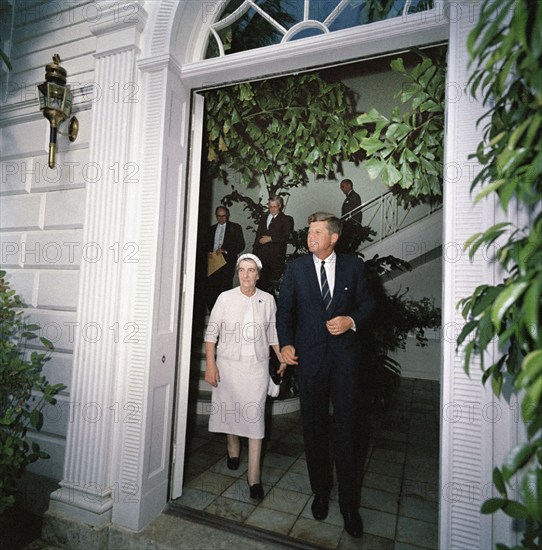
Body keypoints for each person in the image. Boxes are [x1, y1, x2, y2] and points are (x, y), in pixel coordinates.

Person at [276, 212, 375, 538]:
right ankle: (320, 492)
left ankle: (350, 505)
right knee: (314, 426)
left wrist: (351, 320)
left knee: (347, 430)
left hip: (345, 360)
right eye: (309, 232)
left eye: (317, 232)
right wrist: (287, 344)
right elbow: (285, 311)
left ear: (334, 237)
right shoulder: (296, 269)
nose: (310, 236)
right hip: (311, 360)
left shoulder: (353, 266)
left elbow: (369, 304)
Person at [204, 253, 287, 500]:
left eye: (251, 270)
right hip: (228, 366)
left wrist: (281, 357)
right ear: (237, 273)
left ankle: (254, 477)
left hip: (257, 368)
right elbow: (211, 334)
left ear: (258, 274)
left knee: (254, 418)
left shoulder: (268, 300)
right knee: (231, 408)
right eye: (242, 270)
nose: (246, 275)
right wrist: (210, 364)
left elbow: (273, 333)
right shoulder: (225, 298)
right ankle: (232, 447)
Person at [252, 195, 294, 293]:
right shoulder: (264, 218)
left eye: (274, 206)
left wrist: (271, 238)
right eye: (270, 206)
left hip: (275, 259)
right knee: (258, 286)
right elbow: (257, 237)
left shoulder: (286, 219)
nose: (271, 209)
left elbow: (286, 236)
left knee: (270, 288)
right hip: (261, 257)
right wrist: (254, 256)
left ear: (280, 206)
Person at [206, 206, 245, 311]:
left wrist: (225, 250)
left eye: (223, 216)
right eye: (218, 216)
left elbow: (241, 245)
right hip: (212, 264)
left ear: (227, 215)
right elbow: (203, 245)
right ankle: (212, 313)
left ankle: (225, 313)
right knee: (211, 290)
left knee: (225, 289)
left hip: (226, 264)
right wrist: (207, 253)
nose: (221, 219)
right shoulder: (211, 229)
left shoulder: (235, 227)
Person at [339, 178, 363, 251]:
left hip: (351, 227)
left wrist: (355, 225)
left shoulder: (354, 196)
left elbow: (356, 212)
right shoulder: (350, 197)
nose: (341, 189)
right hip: (348, 226)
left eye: (342, 186)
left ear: (348, 185)